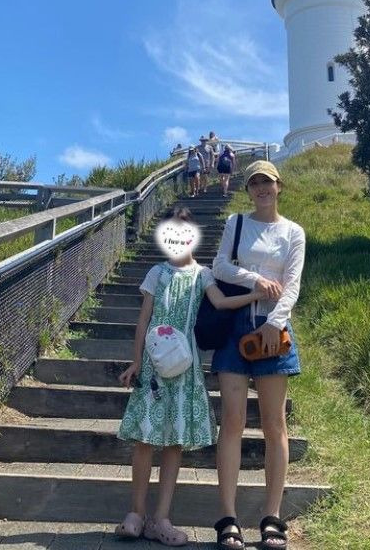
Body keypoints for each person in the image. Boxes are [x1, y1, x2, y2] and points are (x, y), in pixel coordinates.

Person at [116, 207, 269, 546]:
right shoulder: (157, 272)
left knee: (174, 443)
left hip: (185, 369)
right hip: (156, 367)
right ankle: (136, 514)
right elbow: (144, 319)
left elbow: (221, 302)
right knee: (144, 440)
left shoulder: (203, 274)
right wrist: (135, 362)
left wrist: (257, 294)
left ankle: (161, 519)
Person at [211, 161, 305, 550]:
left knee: (274, 426)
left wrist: (275, 322)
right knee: (232, 422)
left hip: (275, 331)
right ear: (248, 189)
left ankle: (272, 517)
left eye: (267, 181)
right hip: (235, 326)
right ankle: (228, 518)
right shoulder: (235, 224)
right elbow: (219, 267)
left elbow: (293, 283)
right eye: (255, 183)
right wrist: (255, 280)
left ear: (279, 187)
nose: (262, 188)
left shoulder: (293, 232)